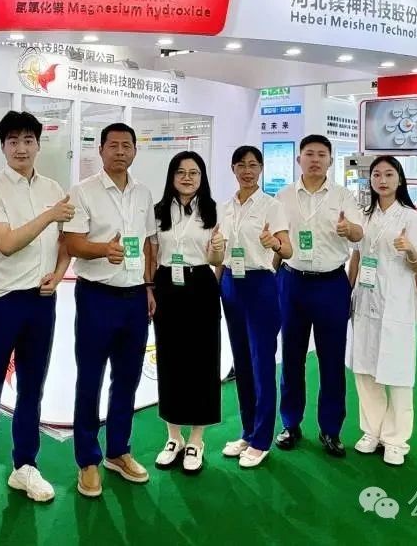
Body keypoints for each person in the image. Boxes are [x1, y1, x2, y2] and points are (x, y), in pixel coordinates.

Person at [0, 111, 72, 516]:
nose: (21, 148)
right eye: (13, 141)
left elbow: (65, 242)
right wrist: (49, 215)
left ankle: (25, 465)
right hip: (1, 300)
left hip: (42, 300)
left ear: (38, 144)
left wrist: (59, 273)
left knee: (32, 387)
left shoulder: (53, 188)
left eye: (28, 140)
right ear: (3, 146)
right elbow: (5, 243)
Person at [64, 123, 156, 497]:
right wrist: (104, 249)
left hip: (134, 298)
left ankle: (118, 451)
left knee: (127, 378)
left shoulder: (143, 193)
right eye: (113, 145)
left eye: (126, 145)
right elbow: (72, 243)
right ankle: (88, 459)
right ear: (100, 150)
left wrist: (149, 287)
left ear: (135, 151)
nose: (120, 151)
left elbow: (147, 244)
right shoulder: (83, 191)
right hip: (96, 296)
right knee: (90, 378)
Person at [273, 135, 363, 457]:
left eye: (321, 154)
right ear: (299, 159)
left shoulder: (344, 196)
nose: (315, 159)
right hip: (292, 282)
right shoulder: (283, 196)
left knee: (332, 360)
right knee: (291, 357)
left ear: (330, 161)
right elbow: (277, 242)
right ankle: (290, 423)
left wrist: (349, 230)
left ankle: (331, 429)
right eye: (309, 154)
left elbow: (359, 233)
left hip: (331, 283)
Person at [347, 156, 417, 467]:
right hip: (364, 297)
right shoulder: (364, 216)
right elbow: (357, 258)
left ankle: (396, 439)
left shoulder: (411, 217)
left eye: (389, 174)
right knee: (365, 367)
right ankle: (372, 431)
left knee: (397, 370)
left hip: (396, 300)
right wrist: (348, 291)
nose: (382, 180)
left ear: (399, 179)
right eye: (377, 175)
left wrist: (410, 251)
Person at [149, 151, 224, 474]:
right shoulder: (158, 211)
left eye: (194, 172)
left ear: (202, 177)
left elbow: (216, 260)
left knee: (203, 361)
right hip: (166, 285)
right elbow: (152, 253)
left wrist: (217, 252)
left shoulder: (213, 210)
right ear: (172, 176)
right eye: (181, 172)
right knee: (170, 360)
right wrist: (149, 288)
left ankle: (196, 439)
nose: (187, 178)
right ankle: (173, 437)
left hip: (201, 285)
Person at [218, 146, 291, 469]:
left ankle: (261, 440)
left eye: (252, 165)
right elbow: (219, 251)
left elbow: (287, 249)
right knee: (242, 364)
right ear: (233, 169)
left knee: (262, 364)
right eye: (241, 165)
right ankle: (247, 433)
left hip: (260, 284)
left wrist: (273, 243)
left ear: (261, 168)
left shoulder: (272, 206)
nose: (247, 171)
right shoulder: (225, 207)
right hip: (230, 283)